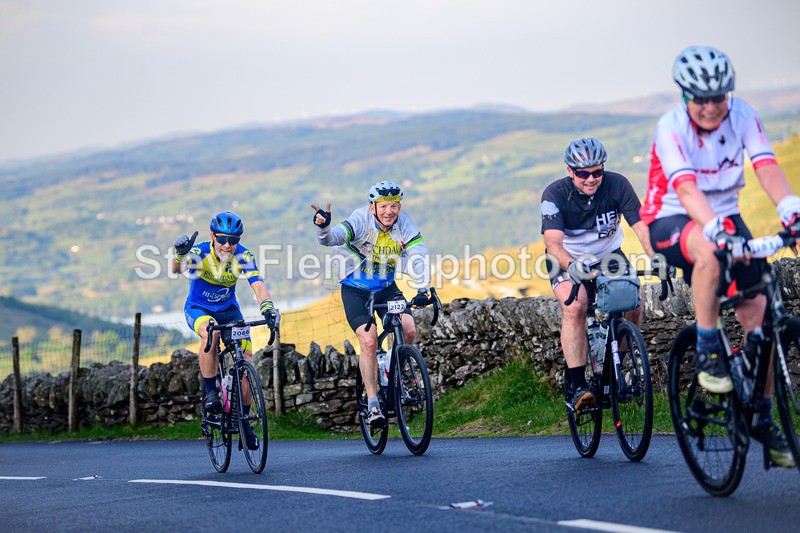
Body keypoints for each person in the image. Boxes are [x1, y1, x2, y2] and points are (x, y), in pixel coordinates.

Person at [640, 45, 800, 467]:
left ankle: (762, 414)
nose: (711, 107)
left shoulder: (743, 115)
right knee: (710, 249)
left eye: (719, 97)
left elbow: (766, 166)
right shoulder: (670, 127)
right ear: (685, 96)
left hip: (726, 215)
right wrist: (714, 229)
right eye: (701, 99)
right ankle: (708, 344)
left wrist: (790, 210)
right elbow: (688, 189)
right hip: (672, 216)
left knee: (761, 318)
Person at [542, 137, 656, 414]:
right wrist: (572, 265)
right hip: (566, 258)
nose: (591, 179)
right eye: (583, 173)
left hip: (609, 254)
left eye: (597, 172)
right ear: (570, 172)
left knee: (634, 303)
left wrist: (658, 257)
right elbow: (553, 243)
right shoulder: (555, 193)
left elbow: (641, 226)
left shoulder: (618, 184)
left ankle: (618, 368)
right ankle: (580, 386)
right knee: (576, 306)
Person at [310, 180, 431, 428]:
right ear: (373, 206)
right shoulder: (360, 220)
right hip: (356, 291)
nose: (390, 211)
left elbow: (419, 254)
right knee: (368, 340)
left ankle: (388, 367)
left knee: (408, 330)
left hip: (386, 288)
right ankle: (374, 401)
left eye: (394, 206)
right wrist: (324, 228)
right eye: (384, 206)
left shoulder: (404, 222)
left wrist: (423, 288)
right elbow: (332, 238)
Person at [171, 211, 280, 450]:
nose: (227, 245)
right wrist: (179, 254)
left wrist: (268, 308)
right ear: (212, 236)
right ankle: (211, 391)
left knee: (246, 357)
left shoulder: (243, 255)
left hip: (230, 310)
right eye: (222, 238)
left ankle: (243, 421)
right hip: (198, 308)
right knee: (211, 331)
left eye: (233, 240)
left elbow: (257, 284)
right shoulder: (200, 252)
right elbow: (176, 270)